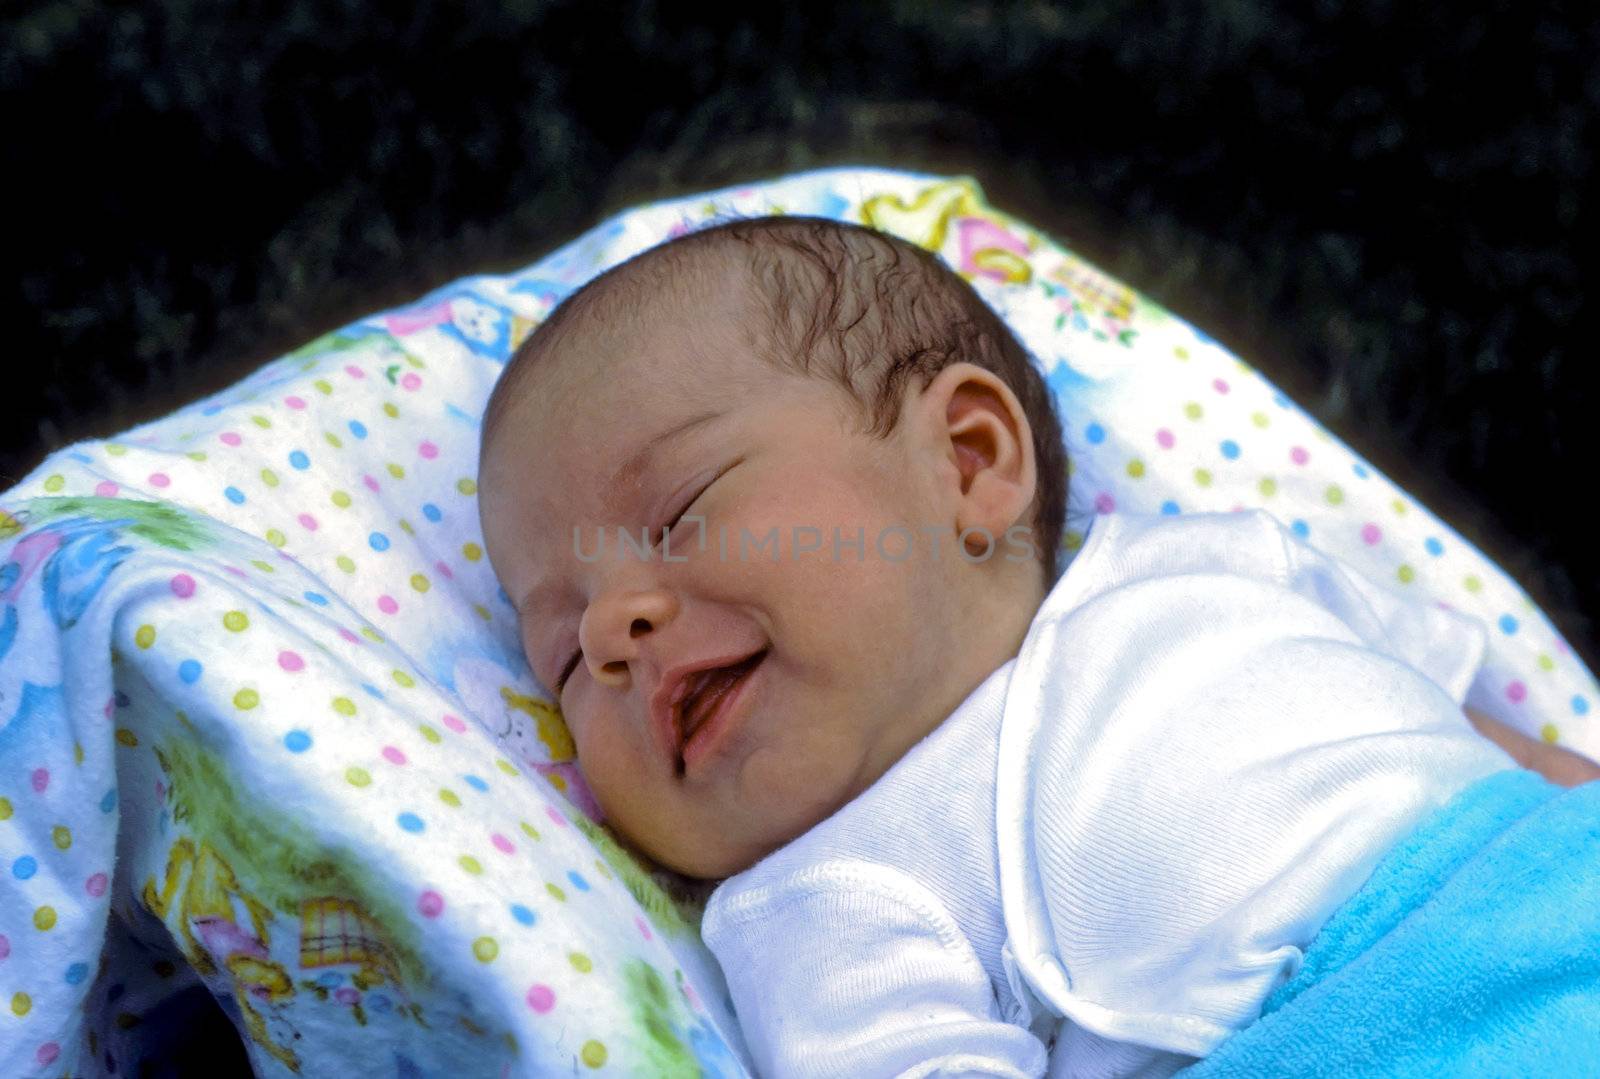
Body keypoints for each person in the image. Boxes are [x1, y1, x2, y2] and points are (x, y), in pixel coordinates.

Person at [477, 215, 1600, 1076]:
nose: (612, 630)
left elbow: (1473, 729)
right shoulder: (829, 895)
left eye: (680, 513)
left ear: (965, 461)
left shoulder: (1213, 559)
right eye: (562, 659)